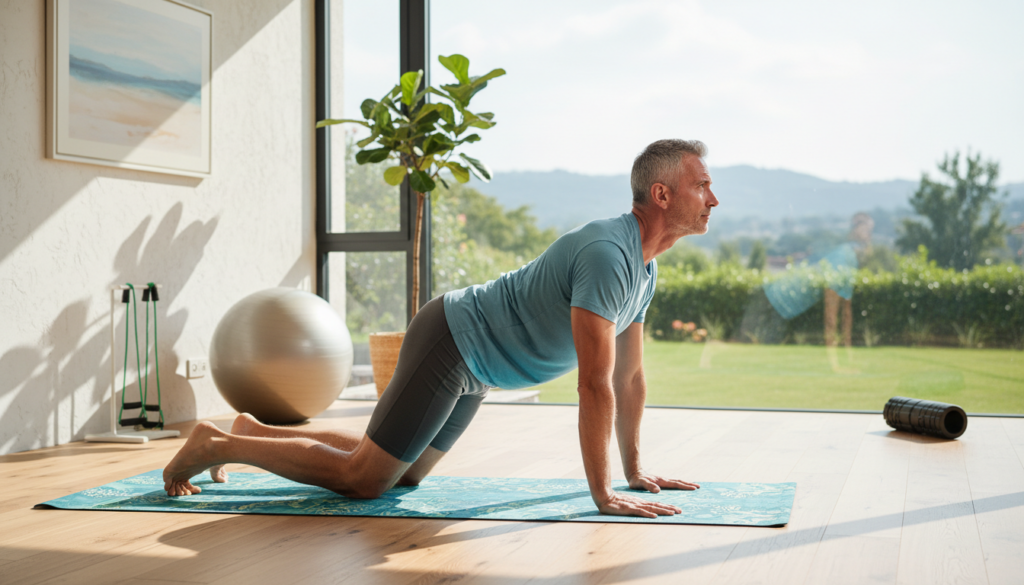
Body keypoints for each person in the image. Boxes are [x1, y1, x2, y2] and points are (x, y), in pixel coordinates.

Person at [163, 139, 717, 519]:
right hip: (453, 340)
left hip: (476, 369)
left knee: (402, 474)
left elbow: (630, 379)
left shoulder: (643, 269)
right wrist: (602, 495)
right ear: (662, 194)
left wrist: (635, 471)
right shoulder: (606, 254)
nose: (713, 199)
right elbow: (595, 383)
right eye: (703, 185)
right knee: (366, 479)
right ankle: (218, 444)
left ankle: (249, 430)